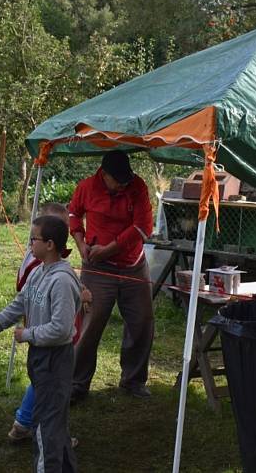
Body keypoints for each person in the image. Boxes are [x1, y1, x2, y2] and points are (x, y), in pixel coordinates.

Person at [0, 215, 81, 473]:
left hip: (55, 359)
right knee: (54, 422)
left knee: (45, 426)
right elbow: (18, 305)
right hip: (41, 358)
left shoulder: (62, 281)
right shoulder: (37, 273)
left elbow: (61, 329)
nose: (30, 243)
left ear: (50, 244)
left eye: (34, 239)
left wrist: (28, 334)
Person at [68, 150, 154, 403]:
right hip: (97, 269)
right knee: (89, 325)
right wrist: (81, 243)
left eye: (126, 179)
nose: (124, 183)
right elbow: (74, 214)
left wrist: (110, 249)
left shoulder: (138, 187)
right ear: (103, 175)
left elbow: (142, 227)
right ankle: (77, 383)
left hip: (133, 267)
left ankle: (133, 380)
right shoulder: (86, 187)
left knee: (142, 322)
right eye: (118, 179)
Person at [7, 203, 91, 444]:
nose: (65, 231)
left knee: (45, 381)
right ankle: (31, 427)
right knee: (50, 384)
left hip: (40, 325)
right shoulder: (38, 262)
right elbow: (41, 292)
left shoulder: (42, 258)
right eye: (61, 227)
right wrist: (78, 294)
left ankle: (36, 428)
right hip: (45, 330)